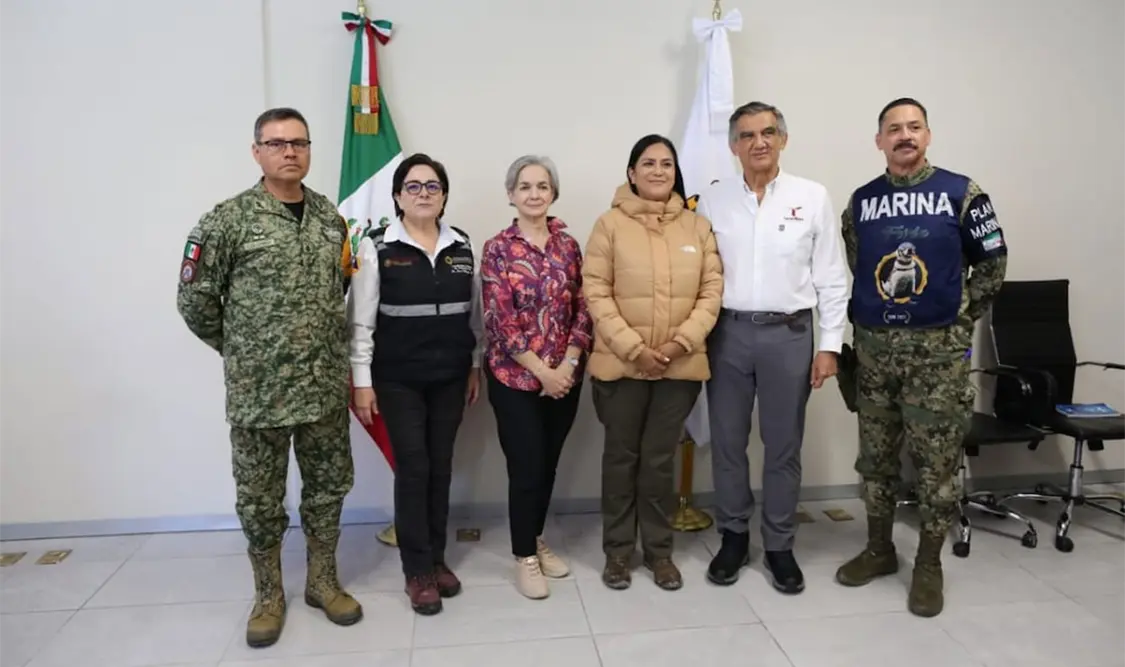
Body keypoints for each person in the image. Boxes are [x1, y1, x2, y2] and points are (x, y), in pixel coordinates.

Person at [176, 107, 363, 648]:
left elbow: (339, 290)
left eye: (299, 143)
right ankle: (268, 595)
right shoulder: (227, 220)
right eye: (277, 143)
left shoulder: (330, 219)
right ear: (256, 151)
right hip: (259, 393)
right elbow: (194, 301)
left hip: (322, 386)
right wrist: (243, 350)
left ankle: (322, 581)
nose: (290, 152)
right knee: (260, 498)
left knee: (328, 488)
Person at [835, 98, 1007, 617]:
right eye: (894, 129)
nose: (904, 135)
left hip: (937, 364)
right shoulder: (861, 202)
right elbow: (859, 264)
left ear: (928, 135)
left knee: (936, 468)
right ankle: (880, 549)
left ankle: (929, 565)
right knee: (876, 461)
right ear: (879, 141)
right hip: (875, 359)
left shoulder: (962, 194)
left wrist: (957, 319)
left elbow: (992, 265)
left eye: (914, 127)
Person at [695, 102, 849, 594]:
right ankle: (734, 538)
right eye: (746, 135)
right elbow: (700, 275)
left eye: (767, 132)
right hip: (728, 335)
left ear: (783, 139)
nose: (758, 142)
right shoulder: (713, 201)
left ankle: (780, 545)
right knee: (728, 443)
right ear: (733, 146)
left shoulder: (812, 196)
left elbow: (831, 277)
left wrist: (830, 346)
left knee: (783, 446)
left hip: (789, 336)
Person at [583, 134, 723, 591]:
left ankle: (660, 553)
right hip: (620, 367)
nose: (658, 171)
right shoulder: (608, 225)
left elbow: (711, 291)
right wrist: (634, 349)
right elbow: (596, 292)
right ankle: (618, 553)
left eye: (666, 163)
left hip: (678, 370)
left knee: (660, 462)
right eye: (648, 163)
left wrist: (680, 344)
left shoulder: (697, 227)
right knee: (621, 461)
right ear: (632, 172)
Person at [347, 152, 483, 616]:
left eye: (432, 186)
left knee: (441, 468)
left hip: (450, 377)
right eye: (414, 186)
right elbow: (360, 323)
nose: (424, 194)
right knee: (414, 469)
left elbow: (474, 316)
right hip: (397, 379)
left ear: (444, 196)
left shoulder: (461, 245)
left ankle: (438, 559)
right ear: (398, 196)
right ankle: (417, 570)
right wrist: (362, 382)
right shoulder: (376, 247)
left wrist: (474, 365)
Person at [480, 155, 594, 599]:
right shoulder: (497, 249)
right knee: (526, 467)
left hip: (565, 377)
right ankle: (524, 555)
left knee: (548, 464)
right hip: (516, 379)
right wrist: (543, 372)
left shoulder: (569, 246)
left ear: (553, 193)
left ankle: (536, 535)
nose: (534, 194)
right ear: (511, 194)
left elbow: (583, 308)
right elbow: (500, 321)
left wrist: (567, 365)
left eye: (542, 186)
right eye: (524, 186)